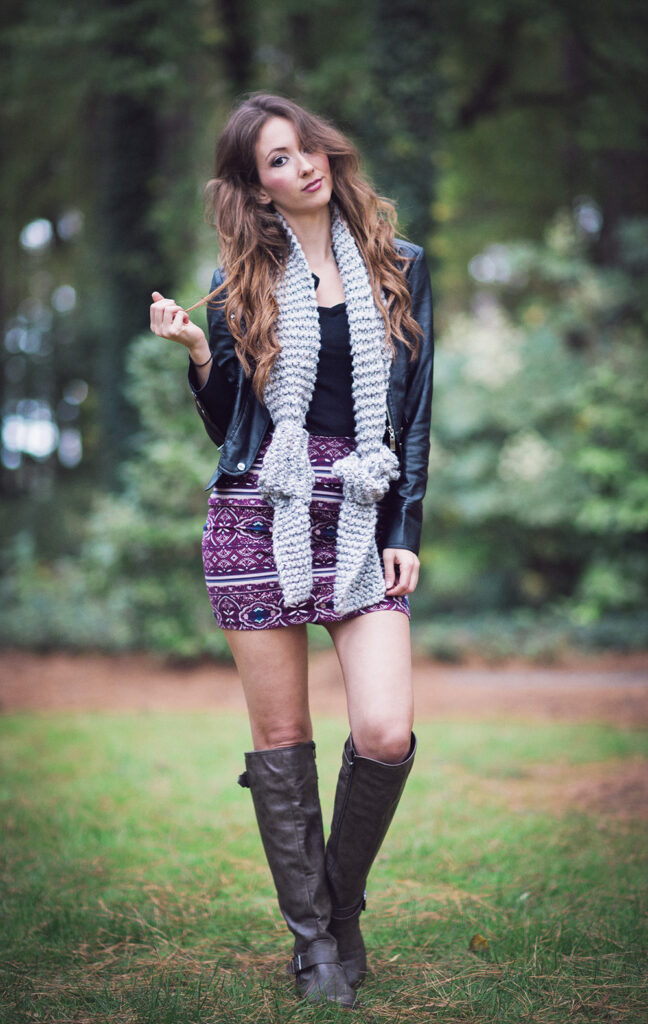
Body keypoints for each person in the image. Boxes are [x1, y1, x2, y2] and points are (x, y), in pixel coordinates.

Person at [149, 92, 434, 1009]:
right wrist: (201, 351)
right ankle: (316, 946)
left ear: (328, 152)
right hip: (258, 517)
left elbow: (417, 414)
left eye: (306, 145)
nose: (302, 163)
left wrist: (404, 528)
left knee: (385, 733)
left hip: (359, 511)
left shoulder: (402, 266)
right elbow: (232, 425)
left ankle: (336, 906)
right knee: (281, 739)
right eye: (277, 159)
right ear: (258, 189)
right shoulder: (238, 292)